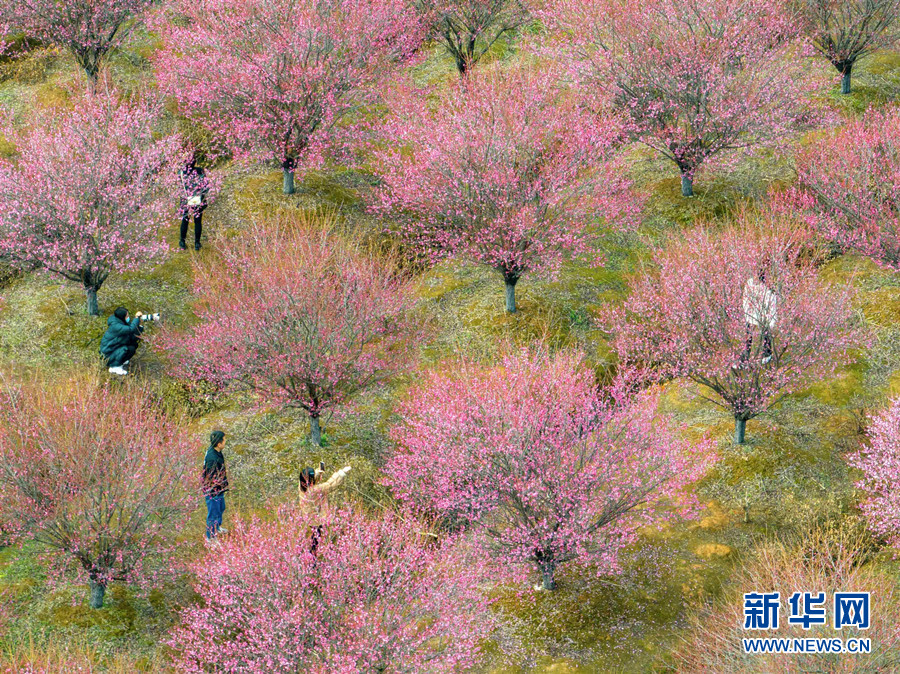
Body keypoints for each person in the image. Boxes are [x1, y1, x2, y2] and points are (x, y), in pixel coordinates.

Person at [298, 461, 352, 553]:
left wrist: (319, 471)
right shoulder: (315, 490)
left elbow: (310, 479)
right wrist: (341, 473)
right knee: (316, 536)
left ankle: (312, 551)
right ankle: (313, 555)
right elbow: (331, 485)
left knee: (315, 533)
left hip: (308, 515)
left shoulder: (301, 485)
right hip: (316, 518)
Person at [741, 266, 777, 366]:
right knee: (749, 334)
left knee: (765, 333)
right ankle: (745, 356)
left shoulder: (767, 289)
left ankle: (767, 353)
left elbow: (771, 304)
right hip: (751, 312)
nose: (754, 277)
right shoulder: (749, 283)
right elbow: (745, 297)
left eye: (756, 275)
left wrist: (770, 320)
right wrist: (748, 311)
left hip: (763, 314)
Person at [178, 154, 210, 251]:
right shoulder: (200, 171)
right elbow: (206, 186)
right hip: (198, 199)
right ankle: (197, 243)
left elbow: (179, 186)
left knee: (185, 220)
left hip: (186, 199)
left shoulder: (181, 173)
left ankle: (182, 242)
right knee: (198, 221)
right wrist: (203, 196)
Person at [99, 307, 144, 375]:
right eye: (127, 316)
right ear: (122, 317)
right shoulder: (116, 326)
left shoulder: (121, 321)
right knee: (125, 349)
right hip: (107, 354)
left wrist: (140, 325)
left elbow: (132, 335)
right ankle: (114, 367)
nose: (128, 318)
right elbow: (131, 329)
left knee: (133, 346)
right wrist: (137, 318)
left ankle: (119, 360)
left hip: (114, 348)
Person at [201, 430, 229, 541]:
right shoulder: (212, 458)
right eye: (224, 440)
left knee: (221, 508)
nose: (225, 441)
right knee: (213, 513)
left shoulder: (215, 451)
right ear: (219, 443)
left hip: (219, 488)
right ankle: (211, 538)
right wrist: (215, 490)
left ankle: (217, 528)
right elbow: (211, 477)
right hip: (212, 491)